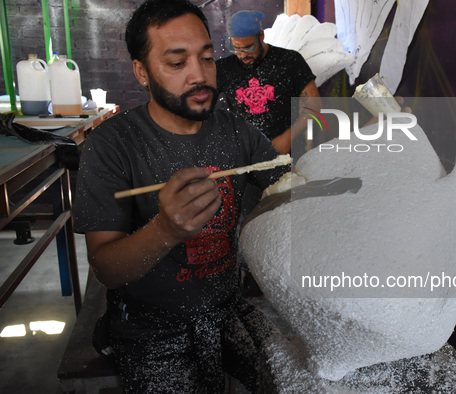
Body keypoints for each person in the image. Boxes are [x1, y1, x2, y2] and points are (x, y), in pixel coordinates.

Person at [72, 1, 288, 392]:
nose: (199, 75)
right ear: (142, 71)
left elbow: (292, 189)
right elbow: (105, 267)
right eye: (177, 63)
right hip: (148, 324)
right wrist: (166, 230)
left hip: (227, 306)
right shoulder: (111, 145)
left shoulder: (237, 133)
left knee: (293, 377)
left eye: (207, 58)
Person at [216, 10, 322, 155]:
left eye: (248, 47)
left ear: (261, 35)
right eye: (237, 49)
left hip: (288, 153)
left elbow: (314, 105)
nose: (243, 55)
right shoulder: (224, 68)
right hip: (245, 155)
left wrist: (287, 138)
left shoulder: (289, 61)